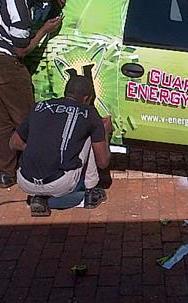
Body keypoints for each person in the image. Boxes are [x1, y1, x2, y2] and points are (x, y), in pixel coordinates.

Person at [0, 0, 65, 188]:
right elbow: (22, 51)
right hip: (7, 66)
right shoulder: (21, 19)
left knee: (3, 122)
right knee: (27, 120)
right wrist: (45, 30)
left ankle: (6, 173)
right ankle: (38, 172)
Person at [9, 76, 112, 217]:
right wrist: (104, 131)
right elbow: (103, 162)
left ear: (66, 92)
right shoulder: (89, 113)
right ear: (86, 98)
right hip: (60, 183)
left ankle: (39, 197)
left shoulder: (41, 106)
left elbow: (14, 143)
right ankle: (90, 192)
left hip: (25, 181)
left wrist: (38, 149)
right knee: (92, 135)